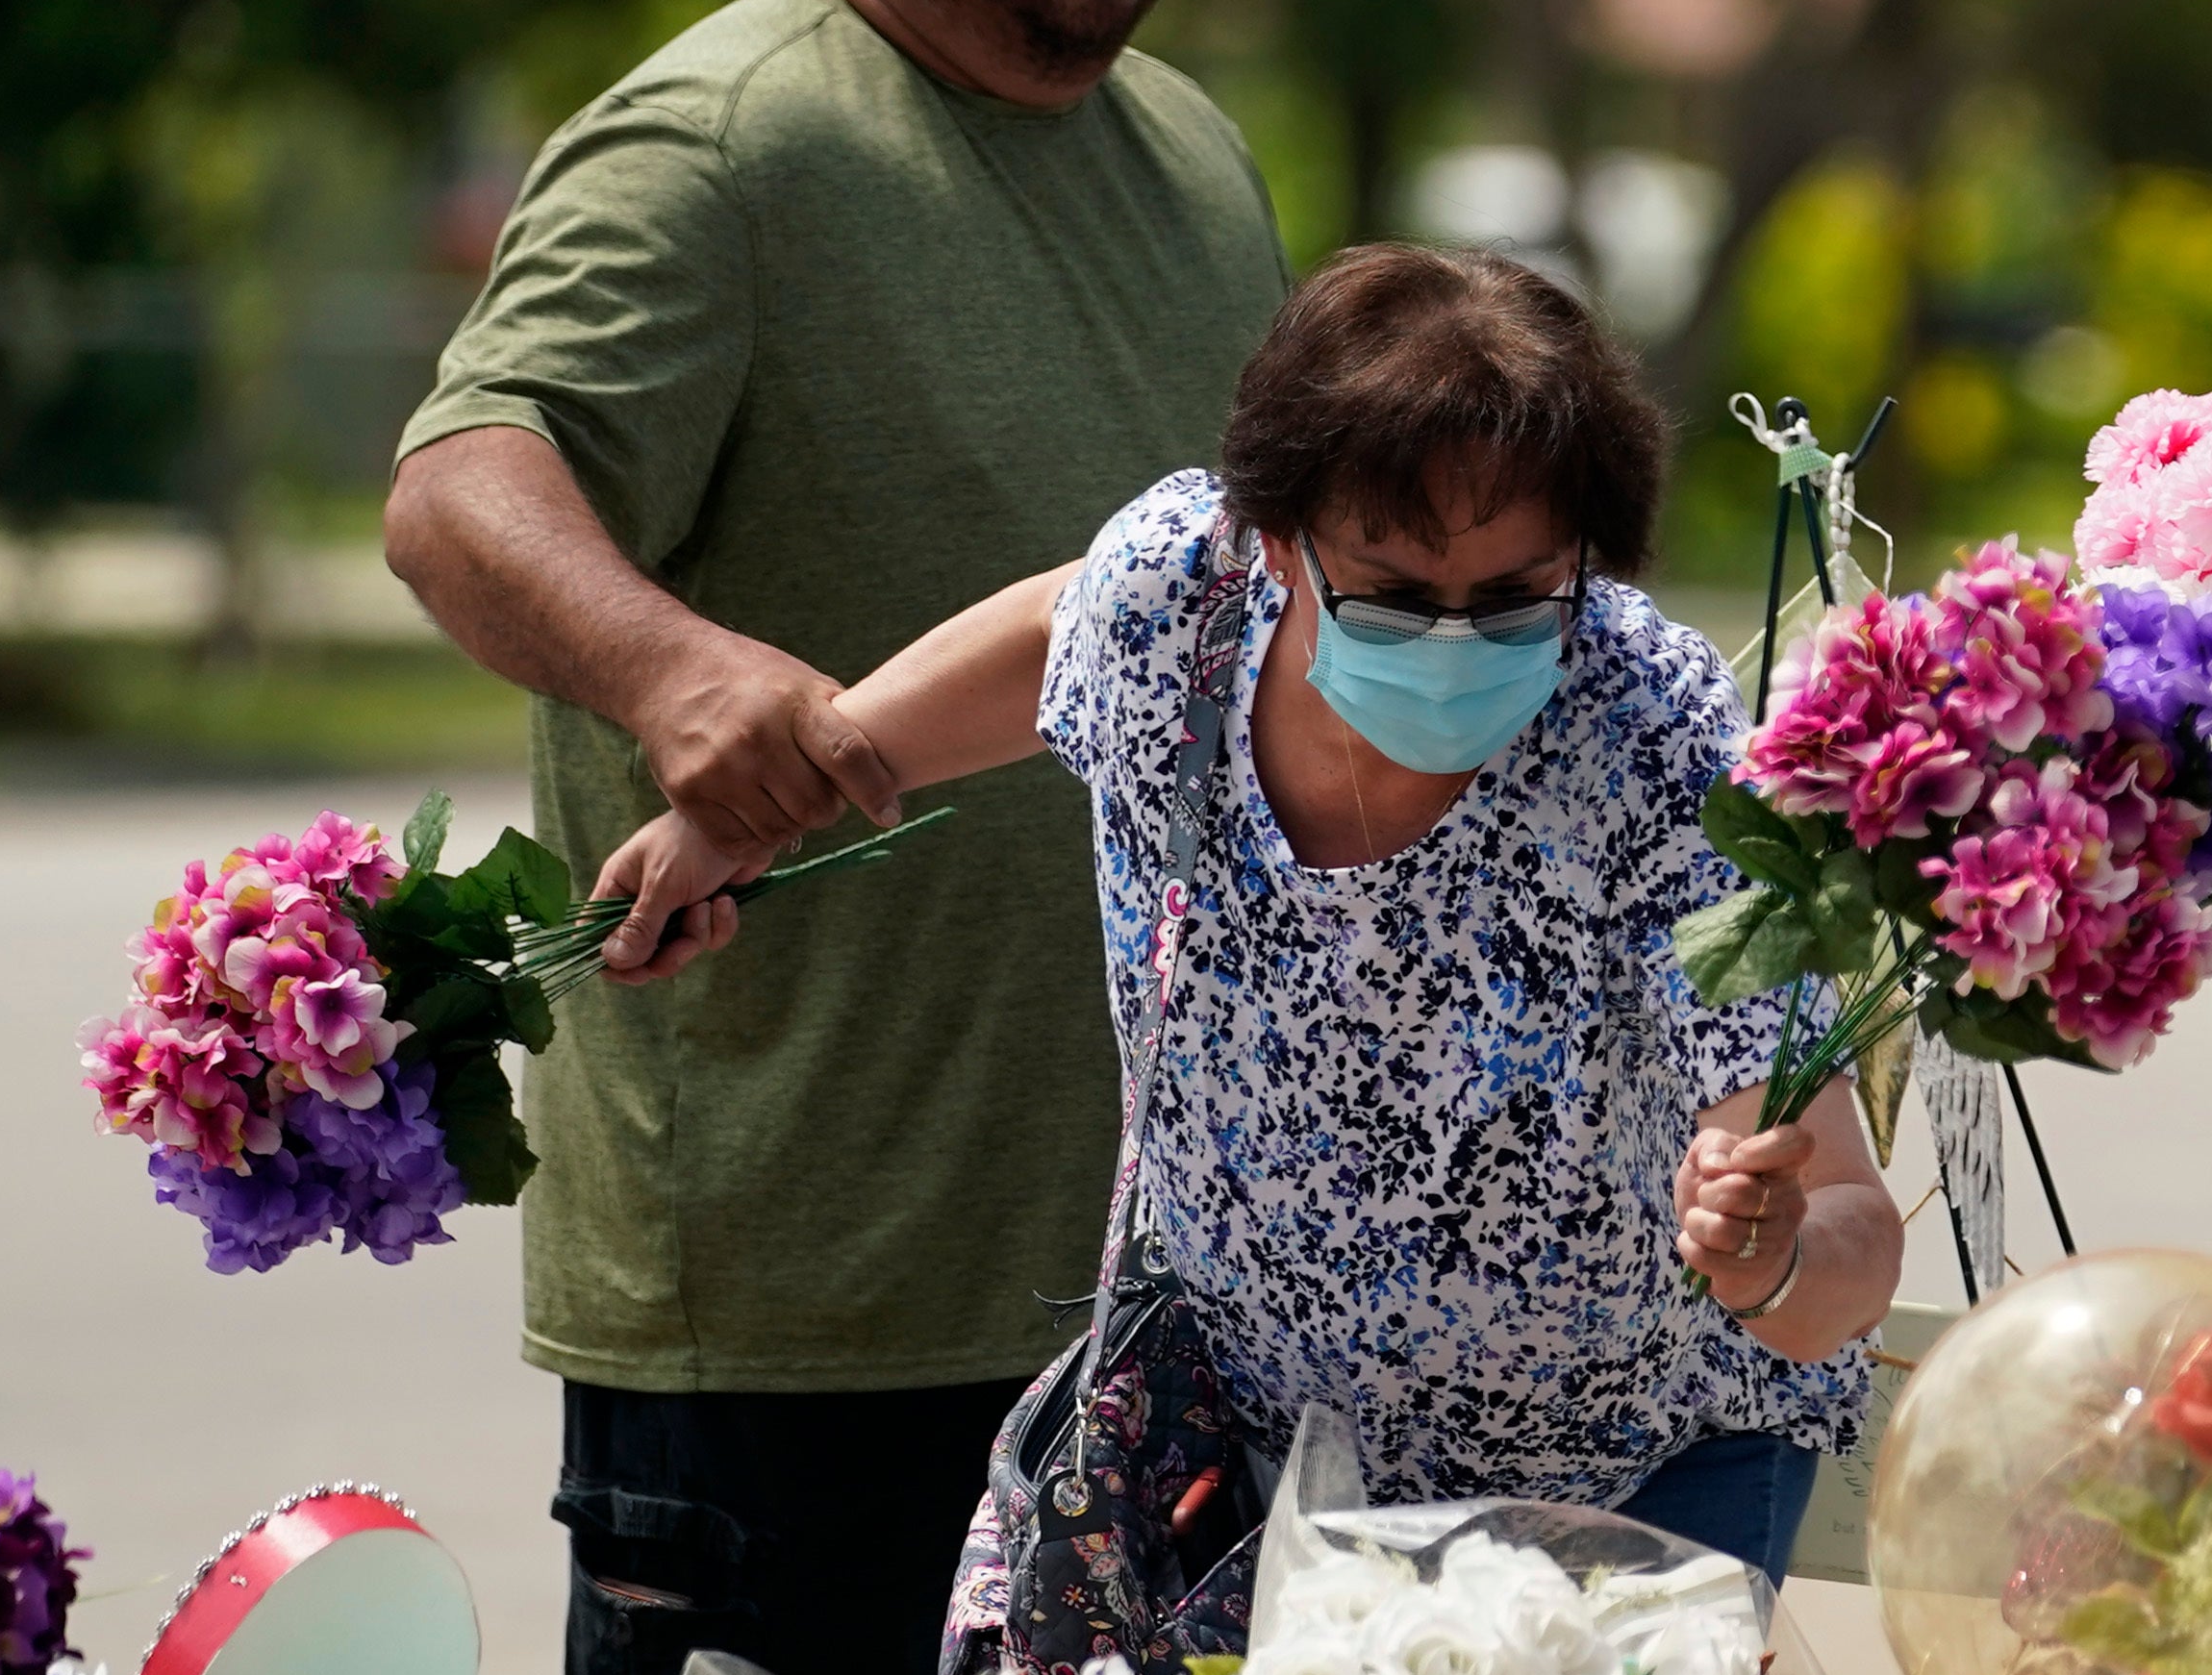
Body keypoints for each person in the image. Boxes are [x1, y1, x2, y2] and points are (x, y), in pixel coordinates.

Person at [380, 0, 1286, 1675]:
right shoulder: (724, 144)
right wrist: (683, 676)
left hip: (1150, 1301)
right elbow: (460, 482)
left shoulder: (1194, 158)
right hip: (803, 1337)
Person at [594, 245, 1898, 1602]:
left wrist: (1768, 1261)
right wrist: (776, 797)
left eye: (1517, 598)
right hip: (1256, 1448)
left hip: (1634, 1477)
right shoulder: (1183, 602)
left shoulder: (1653, 729)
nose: (1455, 643)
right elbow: (1060, 624)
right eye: (1393, 594)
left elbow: (1850, 1224)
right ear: (1275, 542)